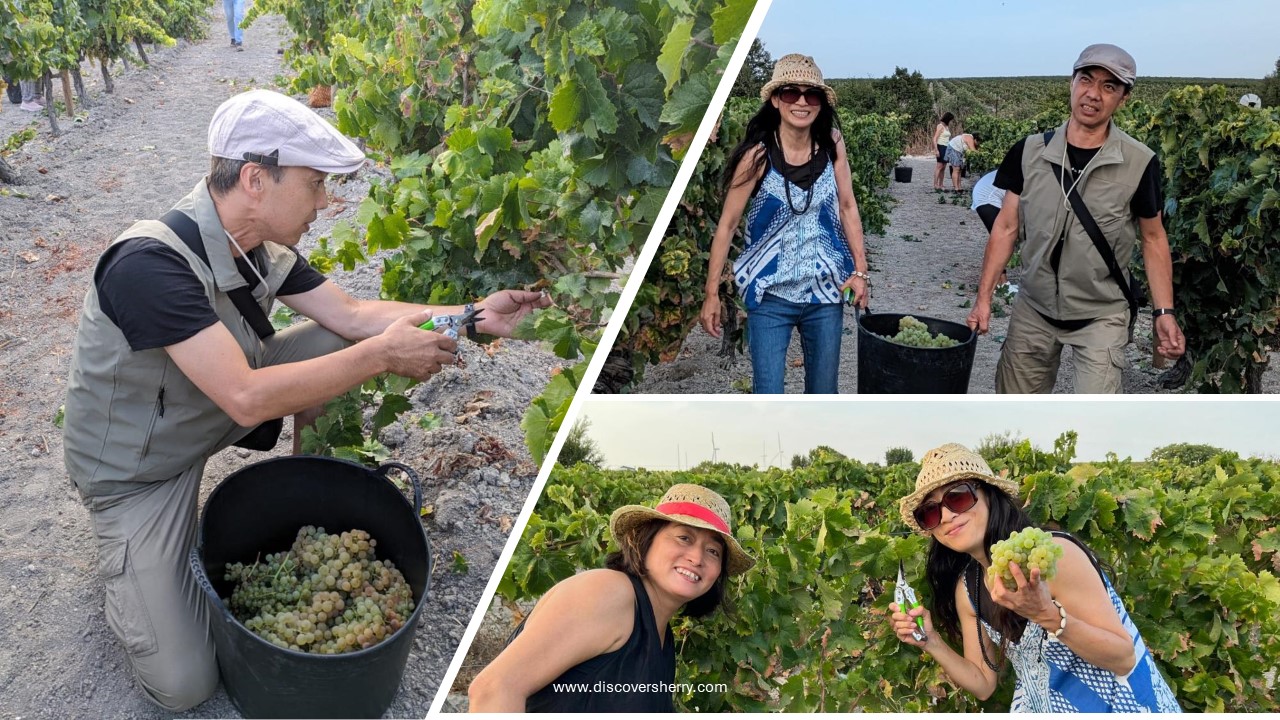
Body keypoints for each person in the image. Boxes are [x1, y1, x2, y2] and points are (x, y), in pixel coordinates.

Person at [62, 89, 551, 711]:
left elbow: (353, 314)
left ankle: (303, 479)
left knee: (332, 337)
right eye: (316, 184)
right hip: (140, 468)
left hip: (200, 407)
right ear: (255, 179)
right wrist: (380, 357)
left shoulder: (256, 247)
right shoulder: (149, 265)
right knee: (184, 686)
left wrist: (474, 318)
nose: (325, 203)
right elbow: (243, 397)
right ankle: (126, 565)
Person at [890, 443, 1182, 712]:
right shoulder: (968, 589)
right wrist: (930, 641)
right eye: (930, 513)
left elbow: (1123, 658)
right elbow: (983, 684)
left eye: (958, 497)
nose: (947, 516)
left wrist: (1047, 615)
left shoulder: (1054, 555)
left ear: (989, 495)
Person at [966, 44, 1185, 393]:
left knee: (1092, 417)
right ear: (1072, 82)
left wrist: (1164, 313)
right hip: (1033, 309)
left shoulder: (1140, 163)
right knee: (1015, 411)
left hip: (1102, 314)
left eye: (1109, 86)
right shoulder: (1029, 151)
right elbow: (1006, 228)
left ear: (1123, 99)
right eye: (1086, 79)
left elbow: (1154, 238)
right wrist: (983, 298)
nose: (1093, 94)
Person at [468, 483, 755, 711]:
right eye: (684, 538)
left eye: (713, 551)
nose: (696, 557)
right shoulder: (609, 593)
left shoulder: (662, 637)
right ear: (646, 539)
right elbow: (493, 690)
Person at [699, 53, 871, 394]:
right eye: (792, 93)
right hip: (769, 295)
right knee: (769, 394)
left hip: (825, 292)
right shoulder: (757, 157)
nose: (802, 102)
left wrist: (861, 271)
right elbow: (727, 225)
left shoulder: (833, 144)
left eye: (812, 94)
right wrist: (711, 294)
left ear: (821, 103)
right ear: (777, 100)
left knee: (824, 393)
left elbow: (848, 207)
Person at [970, 170, 1012, 290]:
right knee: (1002, 241)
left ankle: (994, 282)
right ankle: (1001, 284)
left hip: (986, 192)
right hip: (987, 197)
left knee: (998, 240)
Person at [933, 112, 955, 190]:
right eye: (951, 120)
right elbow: (935, 138)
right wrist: (936, 150)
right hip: (941, 146)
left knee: (944, 166)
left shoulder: (947, 127)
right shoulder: (940, 126)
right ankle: (935, 184)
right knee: (939, 166)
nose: (951, 122)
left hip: (946, 147)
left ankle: (941, 184)